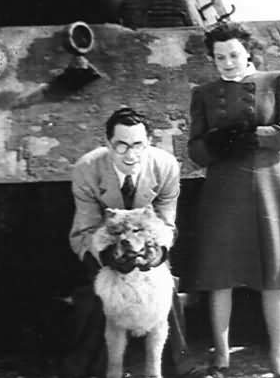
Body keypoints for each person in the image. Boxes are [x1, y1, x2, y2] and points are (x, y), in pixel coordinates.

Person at [186, 22, 280, 378]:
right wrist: (217, 144)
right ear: (212, 58)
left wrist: (255, 134)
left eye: (234, 55)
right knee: (219, 276)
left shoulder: (276, 81)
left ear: (248, 53)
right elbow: (195, 149)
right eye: (219, 57)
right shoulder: (204, 93)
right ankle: (222, 357)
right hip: (223, 190)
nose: (227, 62)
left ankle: (279, 360)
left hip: (268, 187)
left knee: (275, 275)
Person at [63, 107, 203, 378]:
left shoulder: (165, 167)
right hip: (100, 243)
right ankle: (96, 368)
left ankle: (180, 366)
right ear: (108, 144)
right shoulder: (87, 169)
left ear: (148, 143)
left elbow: (167, 223)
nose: (130, 154)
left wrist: (158, 254)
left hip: (147, 241)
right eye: (122, 145)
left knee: (164, 287)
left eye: (138, 145)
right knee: (100, 293)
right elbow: (88, 227)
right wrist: (110, 259)